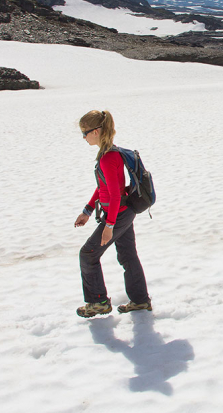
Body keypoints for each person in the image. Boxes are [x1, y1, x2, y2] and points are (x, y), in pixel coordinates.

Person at [74, 110, 152, 318]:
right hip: (124, 212)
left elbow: (115, 194)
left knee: (88, 255)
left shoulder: (108, 157)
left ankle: (98, 302)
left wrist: (109, 226)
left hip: (117, 215)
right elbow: (103, 187)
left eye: (85, 133)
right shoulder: (109, 153)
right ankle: (140, 300)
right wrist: (87, 210)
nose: (84, 137)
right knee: (128, 255)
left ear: (96, 131)